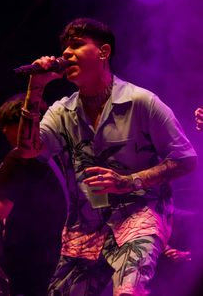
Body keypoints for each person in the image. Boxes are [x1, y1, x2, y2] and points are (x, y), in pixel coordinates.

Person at [16, 17, 197, 296]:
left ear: (103, 52)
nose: (65, 53)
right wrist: (35, 87)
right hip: (85, 228)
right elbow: (28, 150)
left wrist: (128, 182)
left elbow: (186, 160)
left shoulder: (141, 102)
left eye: (76, 45)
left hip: (140, 216)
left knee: (129, 290)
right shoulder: (60, 112)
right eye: (64, 48)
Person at [0, 93, 67, 296]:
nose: (4, 130)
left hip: (30, 260)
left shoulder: (21, 157)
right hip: (55, 255)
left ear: (25, 124)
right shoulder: (55, 155)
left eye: (9, 123)